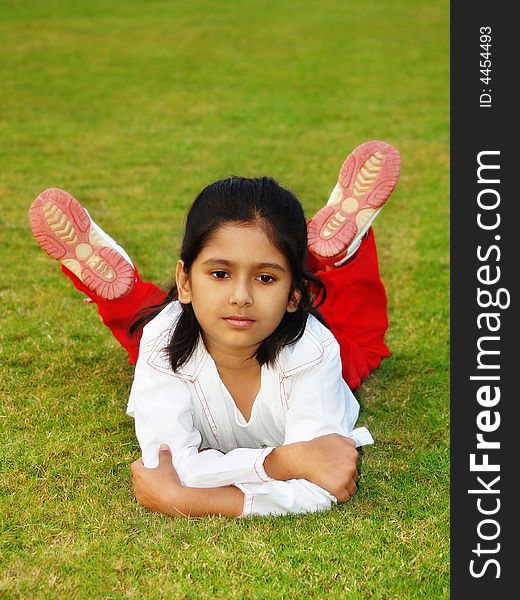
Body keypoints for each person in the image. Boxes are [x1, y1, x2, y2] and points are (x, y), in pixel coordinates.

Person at [29, 140, 401, 518]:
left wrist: (185, 499)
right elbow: (171, 467)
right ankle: (334, 258)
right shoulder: (161, 340)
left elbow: (326, 482)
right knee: (157, 329)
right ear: (185, 280)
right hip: (183, 329)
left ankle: (334, 255)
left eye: (266, 278)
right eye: (220, 273)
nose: (241, 296)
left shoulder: (314, 351)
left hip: (283, 336)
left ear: (294, 296)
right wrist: (284, 462)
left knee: (356, 344)